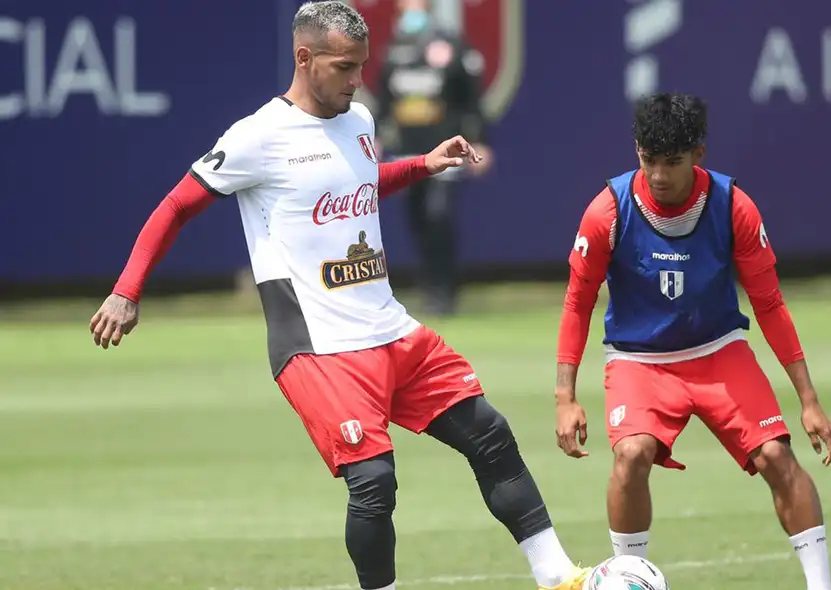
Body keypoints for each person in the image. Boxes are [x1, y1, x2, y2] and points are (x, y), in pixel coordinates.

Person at [87, 3, 587, 590]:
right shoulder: (258, 137)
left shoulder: (360, 121)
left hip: (391, 329)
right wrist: (127, 290)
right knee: (374, 481)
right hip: (318, 348)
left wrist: (423, 164)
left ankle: (559, 578)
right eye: (345, 67)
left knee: (492, 434)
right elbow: (175, 206)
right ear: (305, 58)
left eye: (361, 67)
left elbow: (359, 186)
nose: (357, 80)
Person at [553, 92, 831, 590]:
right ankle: (627, 577)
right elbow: (577, 302)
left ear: (699, 155)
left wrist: (809, 400)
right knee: (631, 453)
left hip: (718, 352)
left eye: (673, 162)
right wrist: (565, 397)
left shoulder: (734, 207)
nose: (659, 175)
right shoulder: (608, 211)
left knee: (776, 456)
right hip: (638, 361)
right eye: (649, 160)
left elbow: (769, 304)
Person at [374, 0, 492, 316]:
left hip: (444, 153)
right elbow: (383, 101)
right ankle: (429, 287)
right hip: (408, 153)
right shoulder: (395, 49)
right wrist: (377, 137)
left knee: (438, 215)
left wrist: (481, 140)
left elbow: (472, 99)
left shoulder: (451, 45)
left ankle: (446, 290)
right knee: (417, 221)